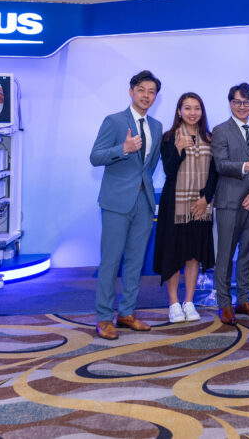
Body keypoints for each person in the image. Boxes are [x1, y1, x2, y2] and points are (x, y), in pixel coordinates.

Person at [88, 70, 163, 340]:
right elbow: (95, 157)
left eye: (152, 92)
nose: (146, 96)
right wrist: (123, 148)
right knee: (111, 261)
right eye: (141, 90)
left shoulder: (156, 126)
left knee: (135, 261)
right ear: (131, 91)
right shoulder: (115, 121)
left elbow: (149, 166)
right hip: (117, 202)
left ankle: (127, 312)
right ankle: (104, 317)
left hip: (144, 202)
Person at [154, 92, 218, 324]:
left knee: (193, 255)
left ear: (202, 111)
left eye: (197, 108)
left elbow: (215, 173)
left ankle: (189, 301)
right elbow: (169, 172)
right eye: (187, 108)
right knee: (173, 254)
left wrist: (205, 199)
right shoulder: (168, 138)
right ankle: (173, 303)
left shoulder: (210, 138)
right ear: (179, 111)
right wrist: (179, 150)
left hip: (201, 205)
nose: (193, 112)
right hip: (175, 204)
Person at [210, 82, 249, 326]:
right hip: (229, 203)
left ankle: (244, 300)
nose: (242, 106)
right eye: (237, 102)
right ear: (230, 103)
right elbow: (221, 164)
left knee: (248, 254)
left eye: (246, 102)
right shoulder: (220, 130)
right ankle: (224, 304)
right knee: (225, 256)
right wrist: (247, 166)